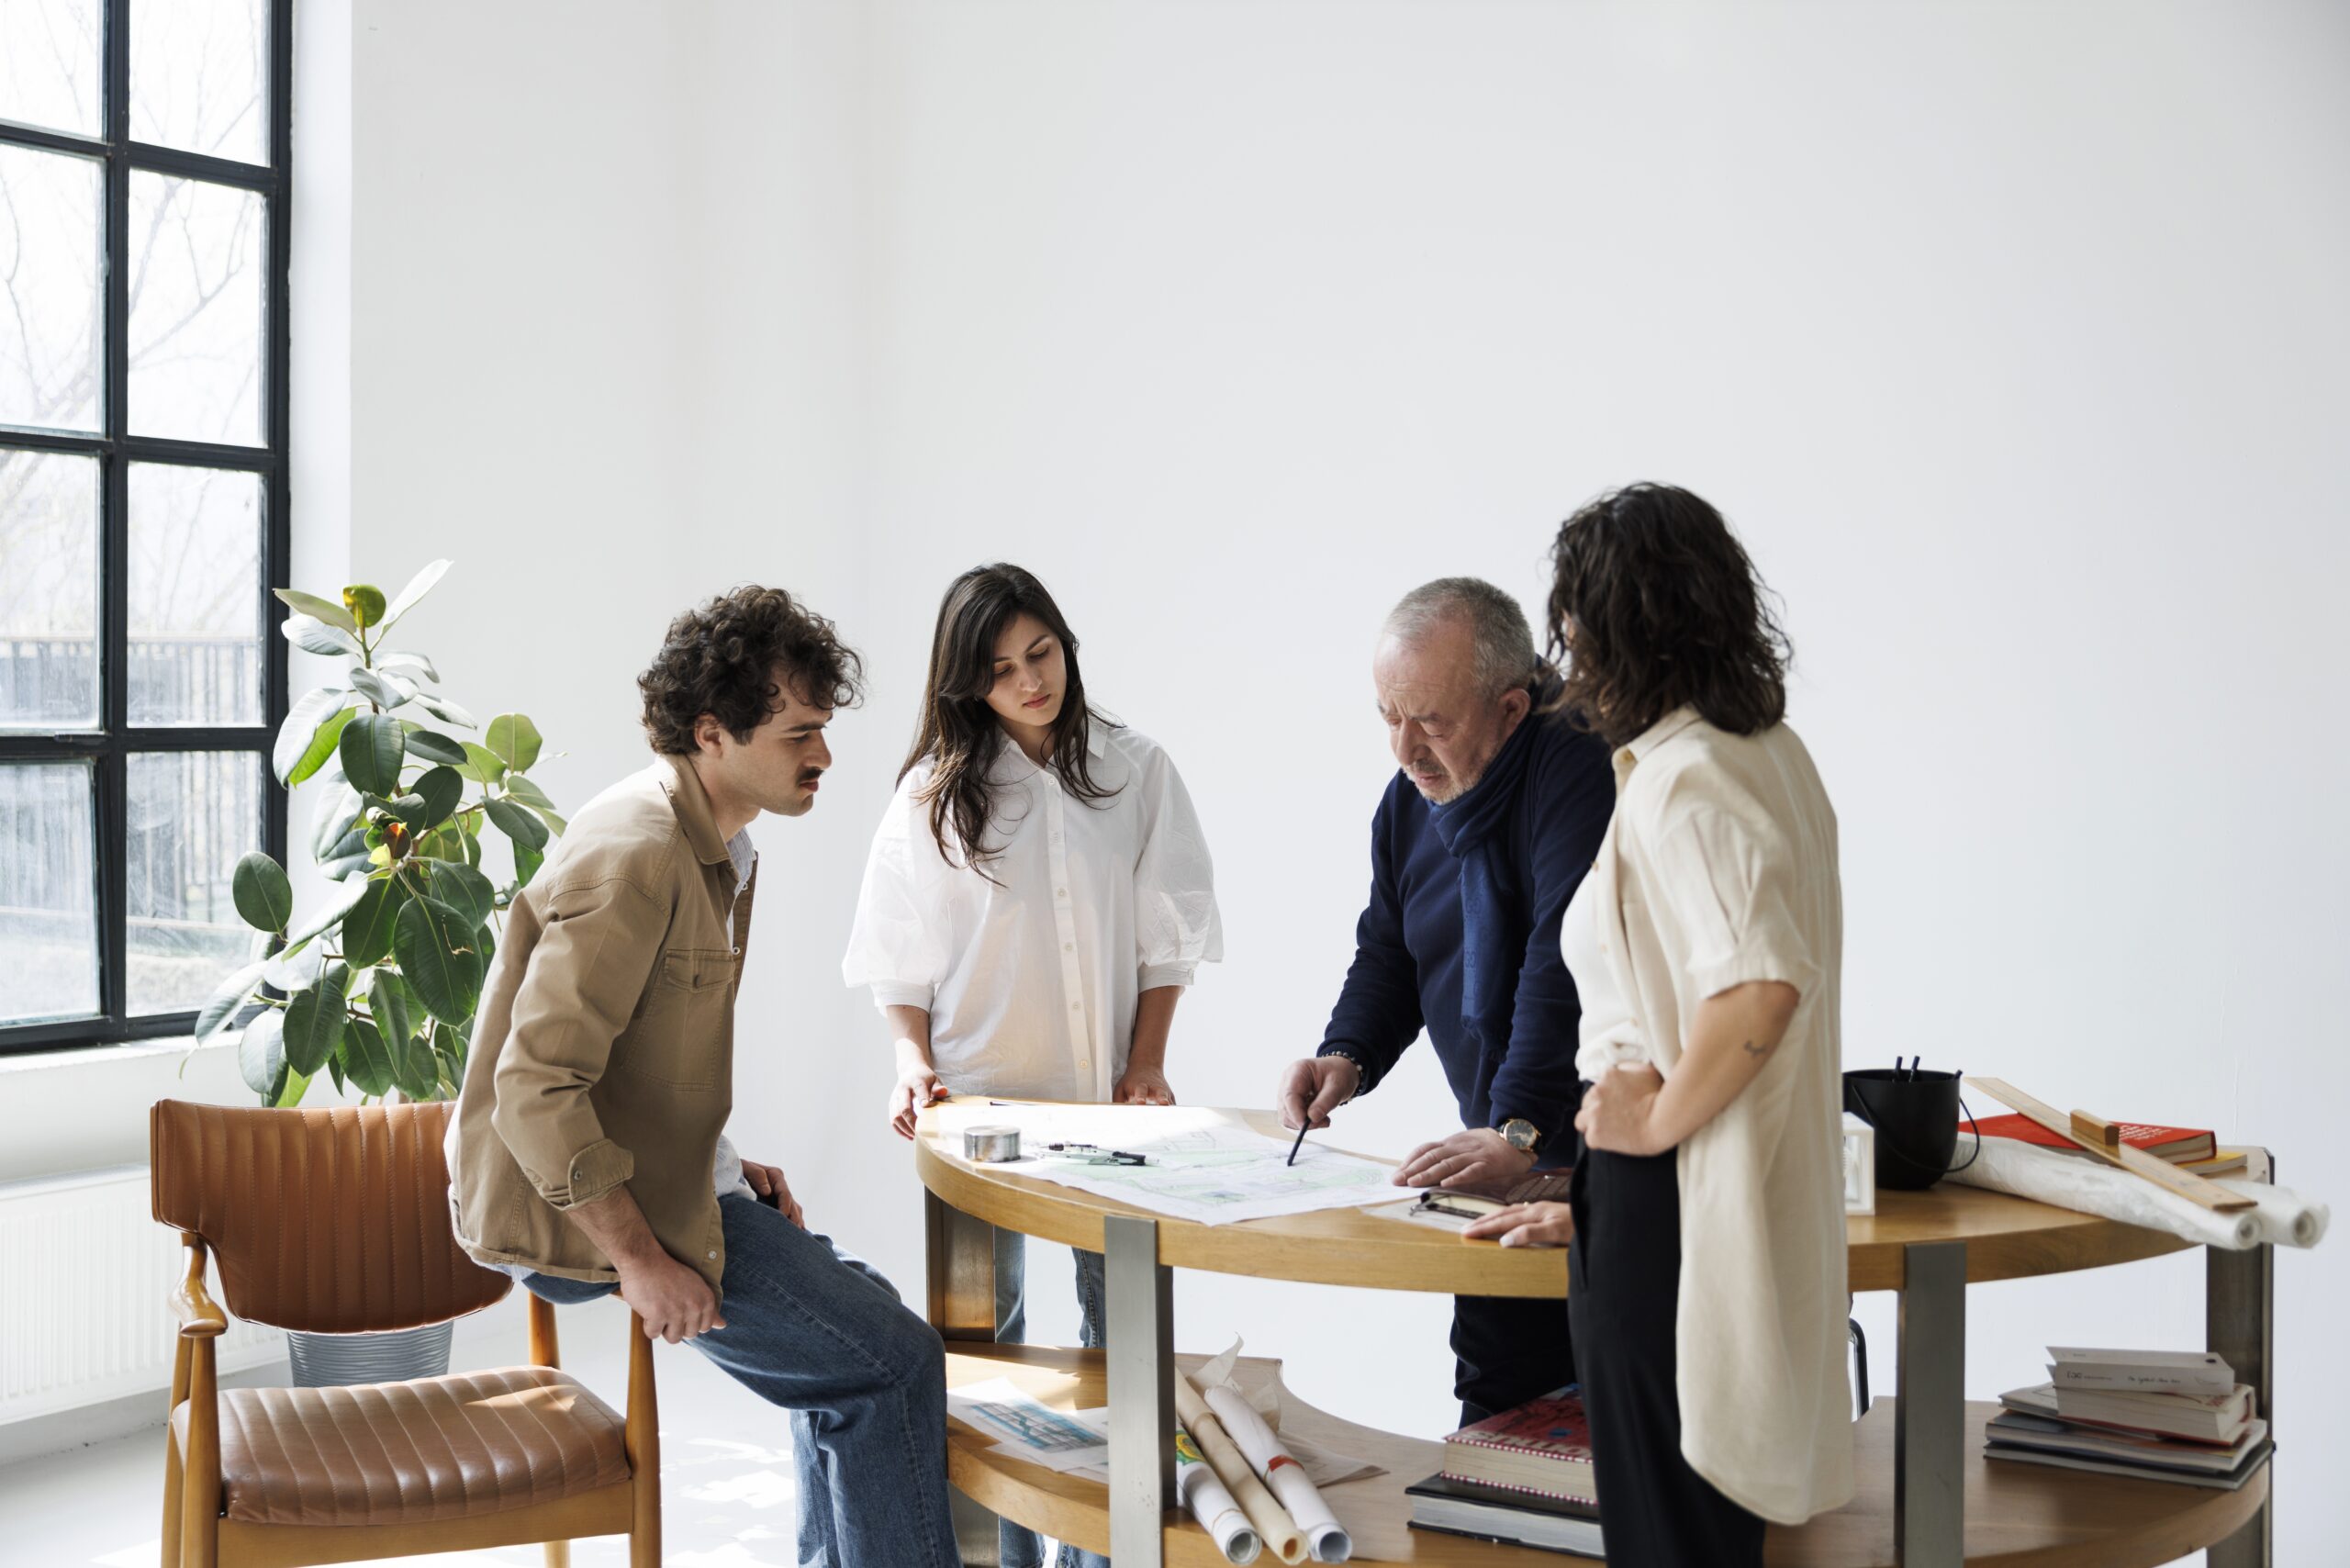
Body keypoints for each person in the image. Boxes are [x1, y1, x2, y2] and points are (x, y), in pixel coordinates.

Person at [444, 586, 959, 1568]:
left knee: (862, 1341)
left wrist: (718, 1165)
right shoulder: (636, 855)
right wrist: (642, 1261)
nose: (824, 755)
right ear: (713, 733)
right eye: (801, 731)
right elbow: (536, 1084)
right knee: (892, 1364)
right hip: (569, 1210)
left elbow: (641, 1056)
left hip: (650, 1174)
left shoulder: (723, 843)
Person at [1464, 484, 1855, 1566]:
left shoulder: (1684, 779)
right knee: (1701, 1523)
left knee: (1668, 1533)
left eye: (1575, 625)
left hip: (1672, 1190)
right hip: (1690, 1190)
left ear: (1615, 627)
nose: (1569, 652)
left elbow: (1760, 986)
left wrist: (1639, 1134)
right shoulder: (1768, 754)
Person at [845, 562, 1223, 1568]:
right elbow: (898, 959)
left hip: (1109, 1116)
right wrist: (908, 1063)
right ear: (967, 681)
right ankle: (1000, 1555)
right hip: (975, 1111)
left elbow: (1165, 942)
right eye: (1002, 668)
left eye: (1041, 653)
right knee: (982, 1354)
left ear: (1065, 642)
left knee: (1121, 1347)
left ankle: (1103, 1551)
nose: (1029, 680)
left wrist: (1146, 1067)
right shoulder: (931, 797)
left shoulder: (1137, 771)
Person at [1274, 577, 1613, 1423]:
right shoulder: (1411, 801)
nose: (1404, 747)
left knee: (1607, 1440)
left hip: (1610, 1175)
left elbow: (1559, 961)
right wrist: (1345, 1055)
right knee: (1497, 1424)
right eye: (1387, 714)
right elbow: (1390, 947)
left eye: (1430, 719)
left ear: (1509, 707)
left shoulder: (1579, 764)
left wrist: (1519, 1130)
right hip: (1500, 1162)